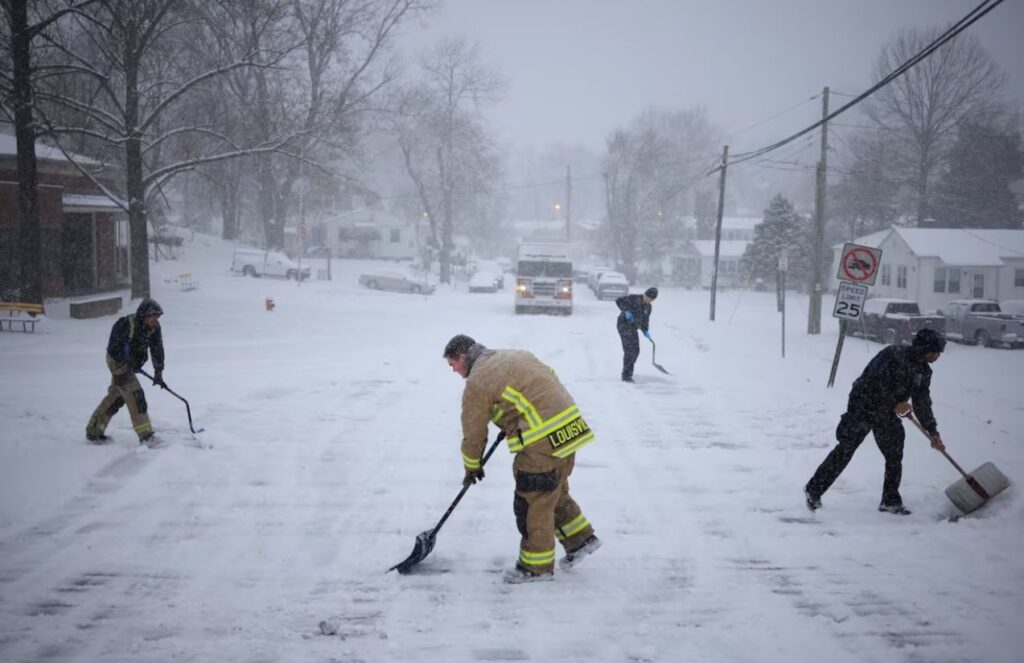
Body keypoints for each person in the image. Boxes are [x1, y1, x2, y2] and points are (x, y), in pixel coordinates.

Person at [443, 334, 601, 583]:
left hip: (541, 439)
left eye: (453, 364)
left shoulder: (477, 382)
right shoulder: (515, 355)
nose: (454, 371)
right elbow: (546, 383)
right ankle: (581, 540)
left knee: (532, 501)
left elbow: (473, 432)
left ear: (462, 356)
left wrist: (472, 466)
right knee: (552, 489)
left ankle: (534, 568)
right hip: (570, 429)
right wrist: (514, 417)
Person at [804, 328, 947, 515]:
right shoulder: (893, 355)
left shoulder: (923, 372)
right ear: (925, 348)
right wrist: (895, 403)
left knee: (894, 453)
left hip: (886, 413)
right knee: (846, 448)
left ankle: (890, 500)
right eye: (936, 352)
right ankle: (813, 490)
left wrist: (932, 432)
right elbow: (871, 382)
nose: (937, 356)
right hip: (863, 406)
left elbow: (922, 402)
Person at [86, 298, 166, 444]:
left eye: (157, 317)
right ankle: (146, 435)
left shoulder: (154, 327)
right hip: (117, 363)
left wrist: (158, 371)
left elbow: (157, 349)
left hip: (131, 364)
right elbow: (114, 348)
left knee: (117, 397)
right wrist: (128, 362)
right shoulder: (125, 325)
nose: (155, 320)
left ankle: (94, 430)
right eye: (152, 316)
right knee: (136, 395)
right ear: (143, 315)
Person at [615, 287, 658, 382]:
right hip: (624, 325)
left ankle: (628, 368)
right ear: (645, 294)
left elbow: (645, 320)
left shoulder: (648, 307)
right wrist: (625, 311)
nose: (648, 300)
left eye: (651, 299)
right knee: (630, 351)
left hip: (633, 328)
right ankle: (626, 375)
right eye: (648, 297)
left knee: (636, 351)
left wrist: (645, 330)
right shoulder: (633, 298)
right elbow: (619, 301)